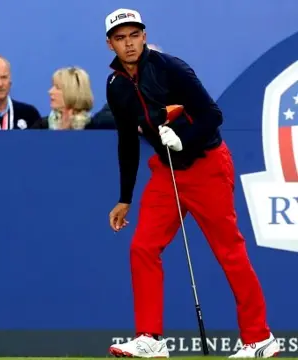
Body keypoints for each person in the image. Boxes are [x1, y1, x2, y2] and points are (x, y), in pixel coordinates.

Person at [103, 8, 279, 359]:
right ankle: (150, 338)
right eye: (120, 38)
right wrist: (125, 198)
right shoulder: (116, 86)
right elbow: (126, 142)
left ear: (143, 35)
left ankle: (260, 338)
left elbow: (213, 115)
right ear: (110, 44)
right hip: (166, 173)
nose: (129, 43)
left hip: (207, 165)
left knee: (229, 250)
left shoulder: (171, 68)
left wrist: (185, 140)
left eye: (134, 35)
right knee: (143, 247)